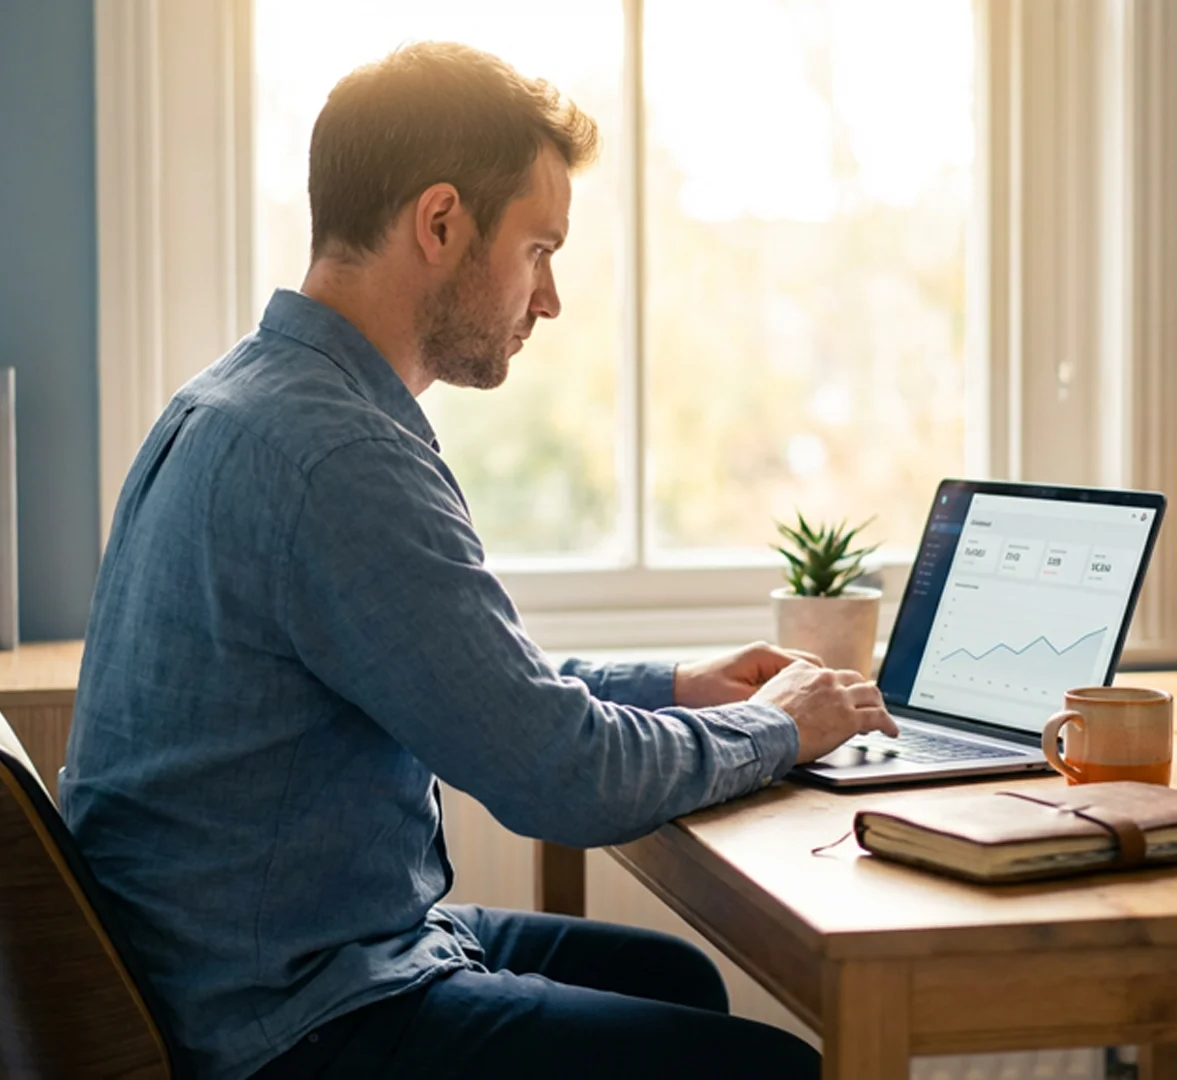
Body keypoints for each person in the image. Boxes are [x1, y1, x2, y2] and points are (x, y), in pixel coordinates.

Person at [63, 41, 898, 1080]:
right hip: (291, 1025)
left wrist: (681, 687)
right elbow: (559, 776)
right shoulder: (340, 457)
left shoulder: (238, 400)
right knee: (764, 1068)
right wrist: (774, 729)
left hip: (252, 968)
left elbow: (478, 688)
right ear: (441, 221)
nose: (548, 300)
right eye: (540, 249)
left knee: (675, 985)